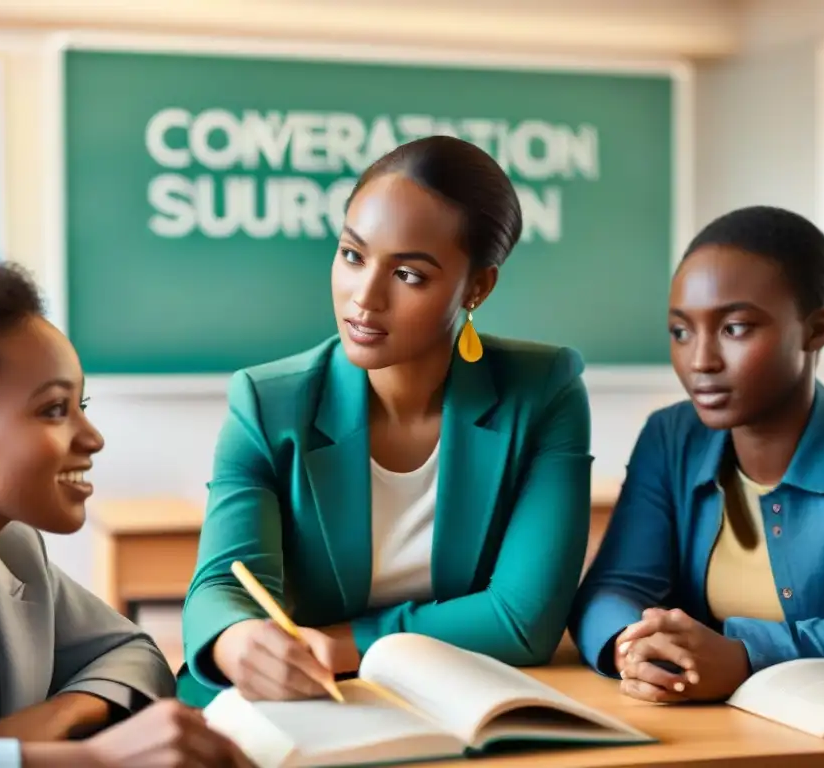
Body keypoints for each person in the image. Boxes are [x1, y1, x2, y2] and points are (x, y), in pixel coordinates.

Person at [178, 135, 594, 707]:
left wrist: (347, 642)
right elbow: (224, 585)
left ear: (477, 286)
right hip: (313, 704)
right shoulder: (267, 403)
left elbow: (524, 620)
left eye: (409, 275)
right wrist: (237, 640)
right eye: (352, 255)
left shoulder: (544, 391)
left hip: (469, 698)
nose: (364, 298)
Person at [0, 259, 247, 767]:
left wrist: (59, 715)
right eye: (54, 409)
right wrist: (94, 760)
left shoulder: (11, 551)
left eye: (81, 405)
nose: (92, 438)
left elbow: (134, 653)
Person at [569, 205, 824, 704]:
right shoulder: (671, 437)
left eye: (734, 328)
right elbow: (610, 590)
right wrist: (633, 649)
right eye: (681, 331)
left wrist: (742, 655)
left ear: (816, 329)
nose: (700, 360)